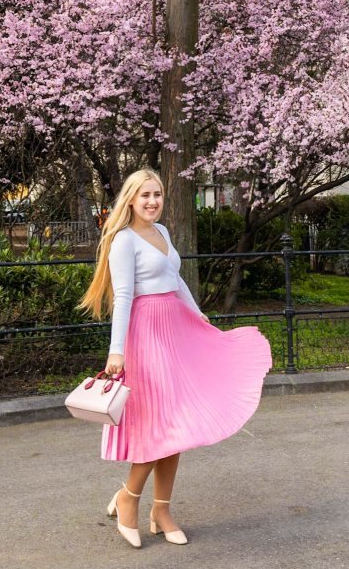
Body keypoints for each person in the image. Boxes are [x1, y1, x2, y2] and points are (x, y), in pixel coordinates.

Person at [79, 168, 272, 549]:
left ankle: (161, 510)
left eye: (158, 195)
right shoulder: (123, 241)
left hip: (176, 330)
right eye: (145, 195)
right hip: (145, 336)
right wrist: (116, 350)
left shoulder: (163, 233)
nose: (153, 201)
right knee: (158, 426)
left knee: (178, 425)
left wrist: (196, 312)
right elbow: (123, 298)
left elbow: (176, 278)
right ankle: (128, 500)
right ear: (130, 199)